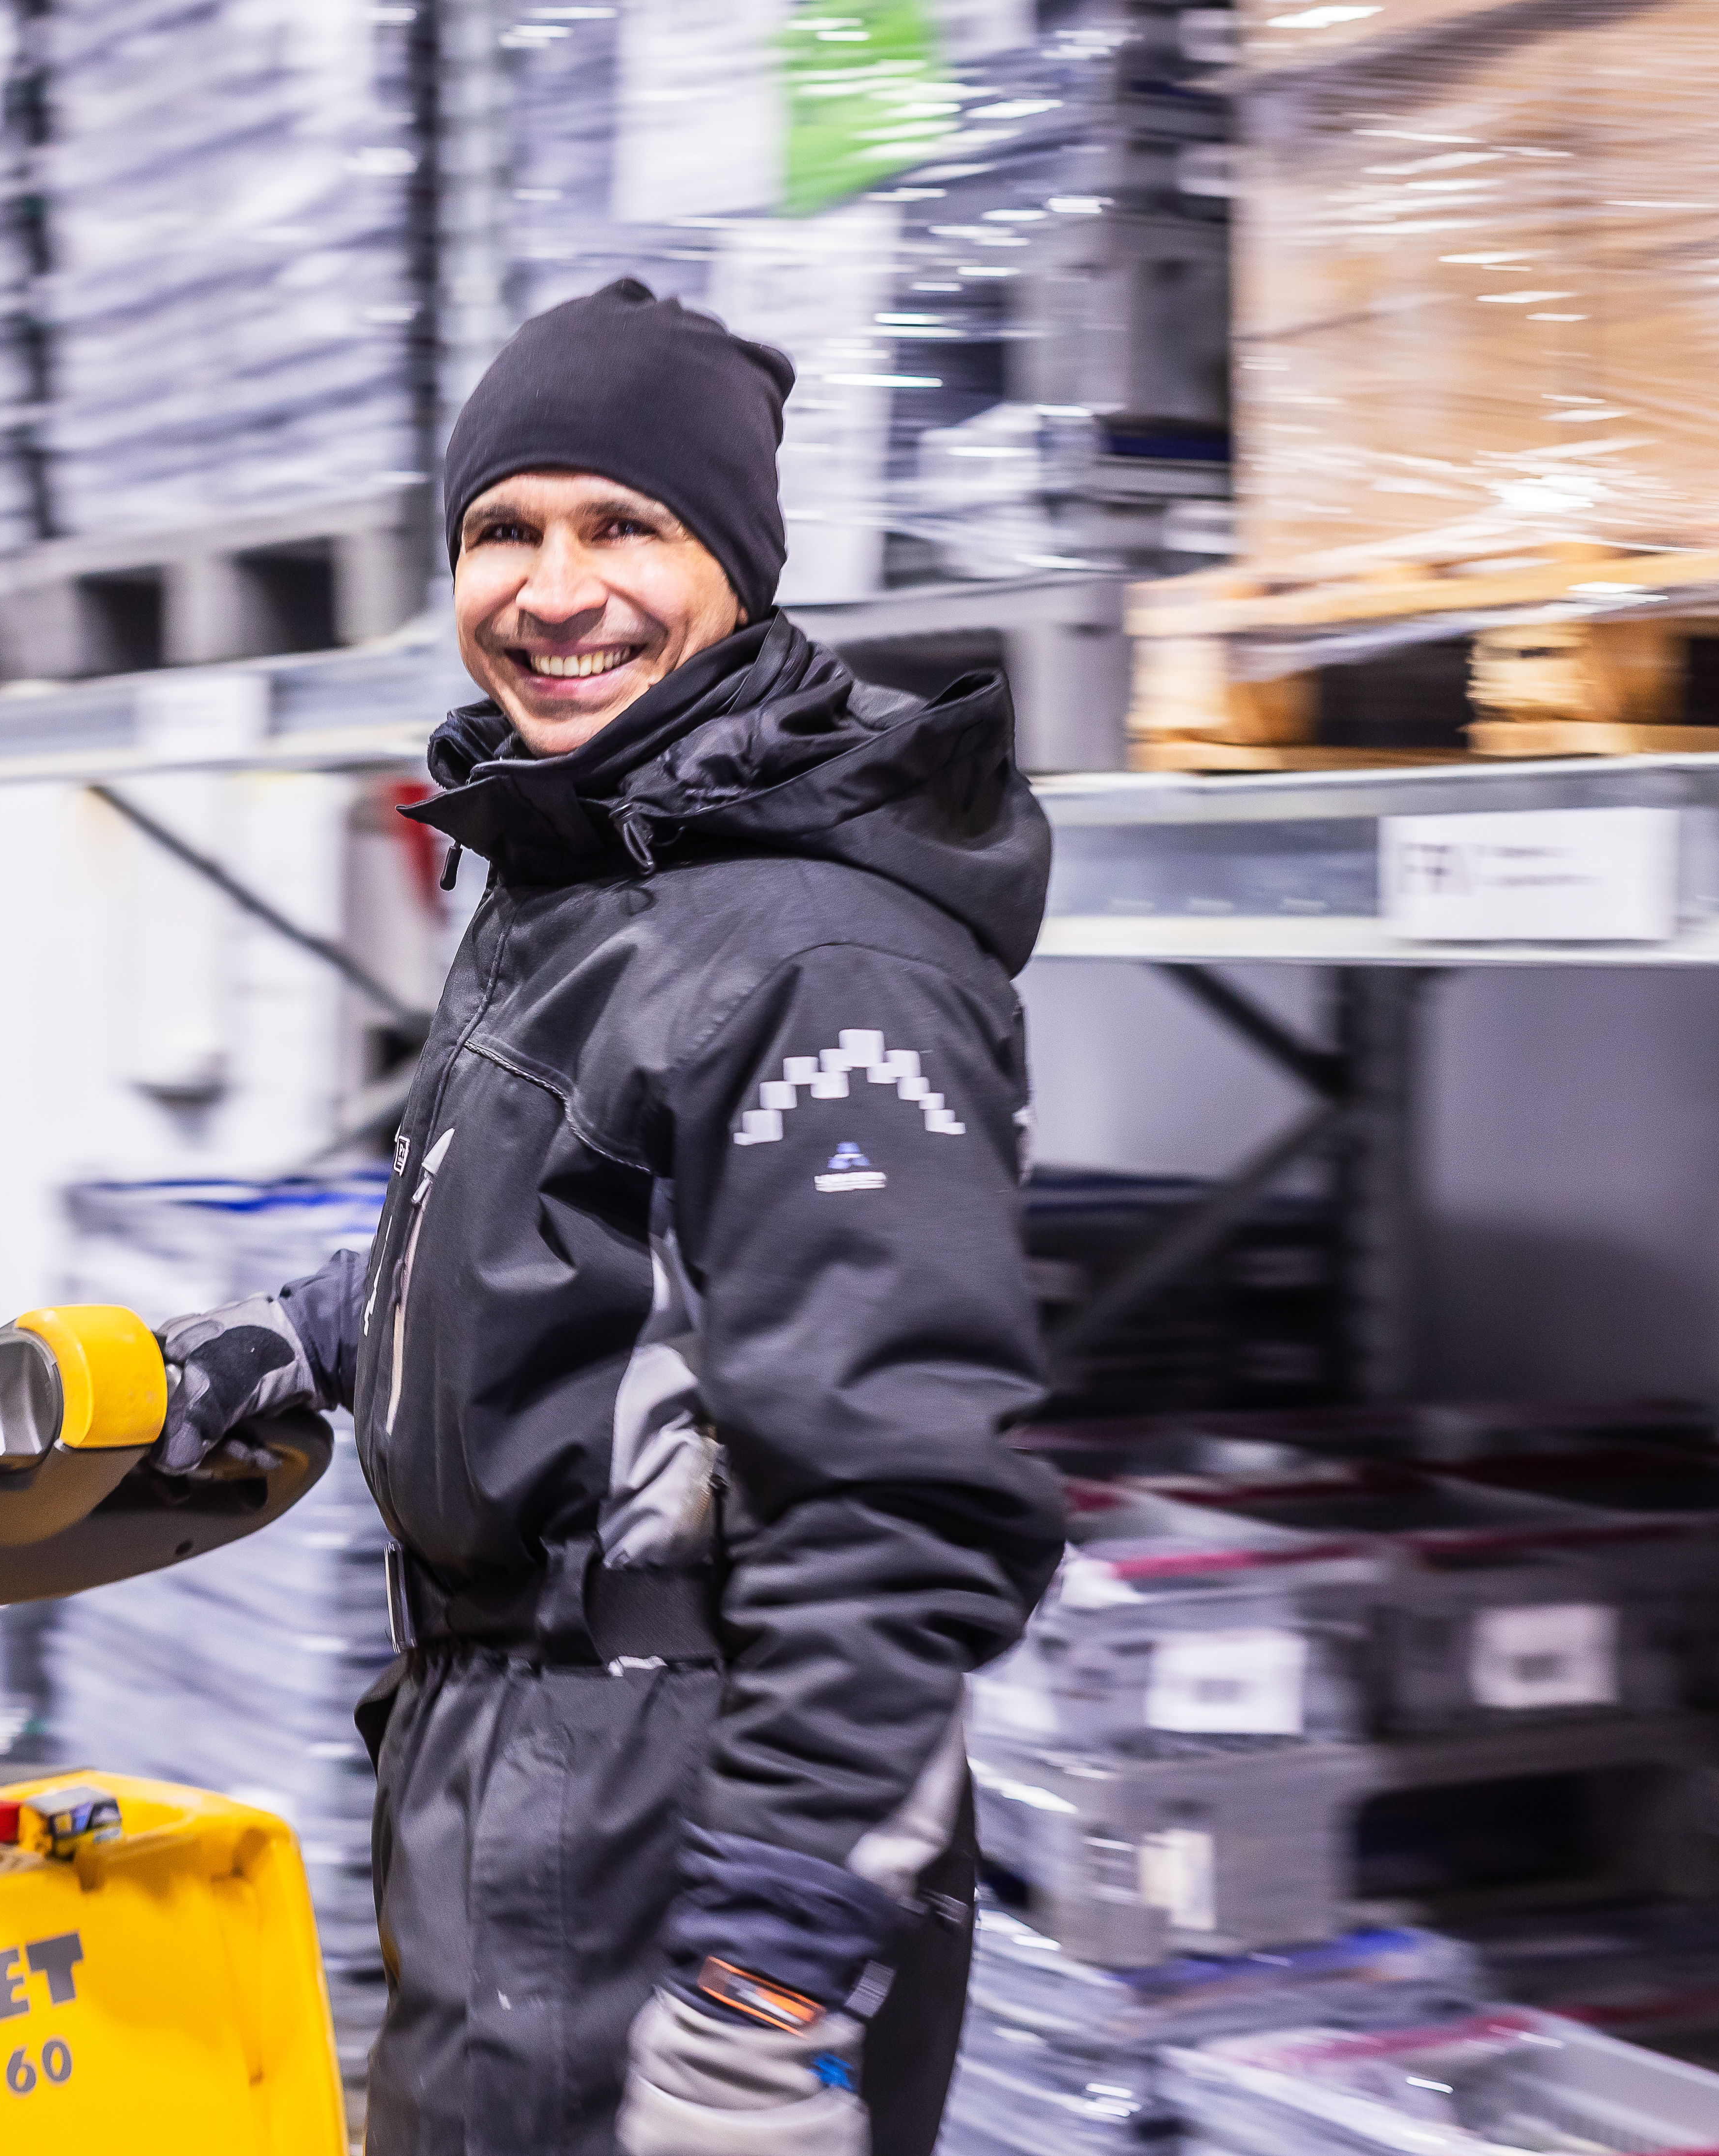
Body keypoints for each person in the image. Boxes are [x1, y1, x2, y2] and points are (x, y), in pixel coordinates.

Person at [151, 278, 1066, 2156]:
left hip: (676, 1816)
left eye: (622, 527)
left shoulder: (818, 953)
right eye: (504, 530)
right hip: (521, 1778)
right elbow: (600, 1234)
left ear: (735, 564)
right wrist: (312, 1336)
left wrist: (761, 1988)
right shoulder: (603, 874)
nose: (551, 590)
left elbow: (896, 1508)